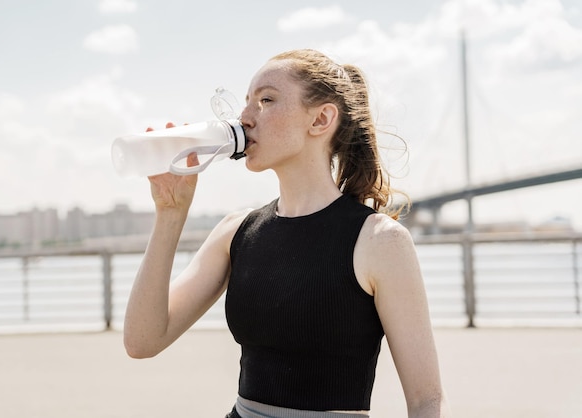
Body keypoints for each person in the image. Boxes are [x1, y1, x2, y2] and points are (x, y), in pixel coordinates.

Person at [123, 49, 451, 417]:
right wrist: (170, 213)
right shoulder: (236, 231)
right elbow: (142, 341)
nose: (244, 117)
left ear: (321, 119)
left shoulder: (379, 241)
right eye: (246, 102)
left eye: (266, 100)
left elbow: (426, 400)